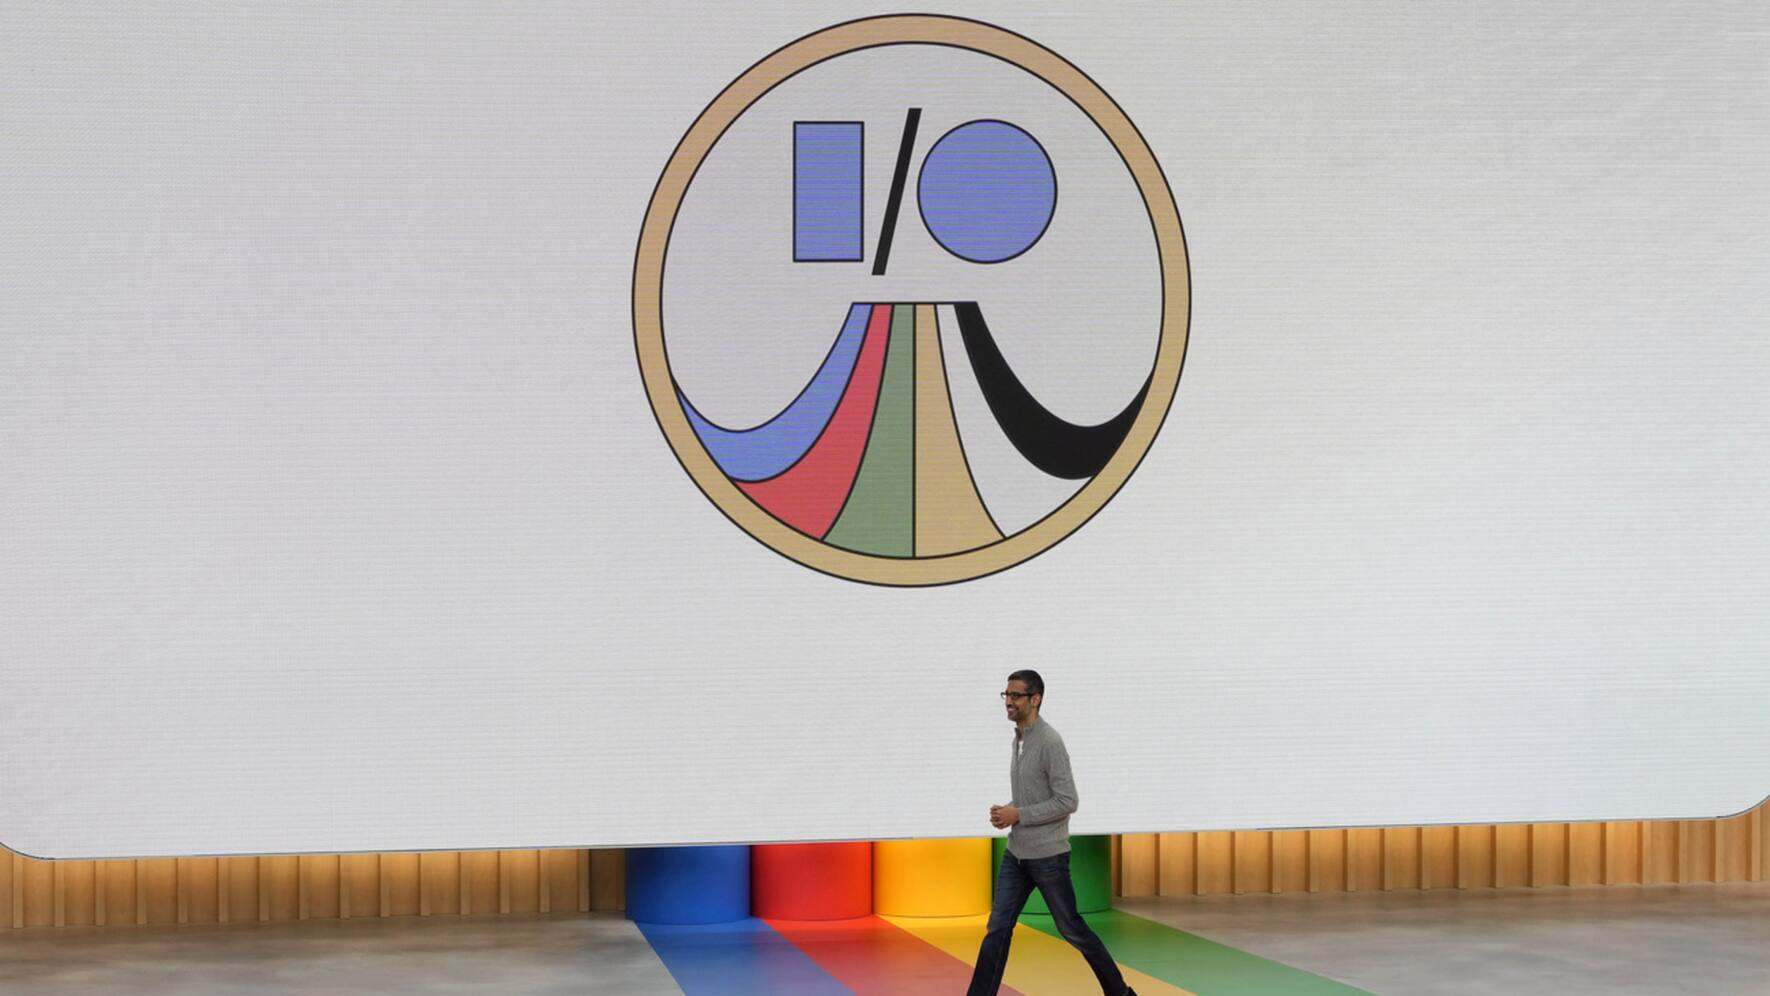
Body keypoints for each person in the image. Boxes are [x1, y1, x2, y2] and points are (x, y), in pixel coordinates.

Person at [968, 670, 1137, 996]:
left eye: (1016, 695)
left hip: (1048, 857)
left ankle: (1120, 993)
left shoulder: (1049, 742)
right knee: (998, 928)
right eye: (1006, 695)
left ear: (1036, 699)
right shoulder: (1018, 739)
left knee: (1072, 929)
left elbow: (1067, 800)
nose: (1009, 702)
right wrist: (1009, 811)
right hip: (1016, 855)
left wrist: (1020, 814)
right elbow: (1034, 794)